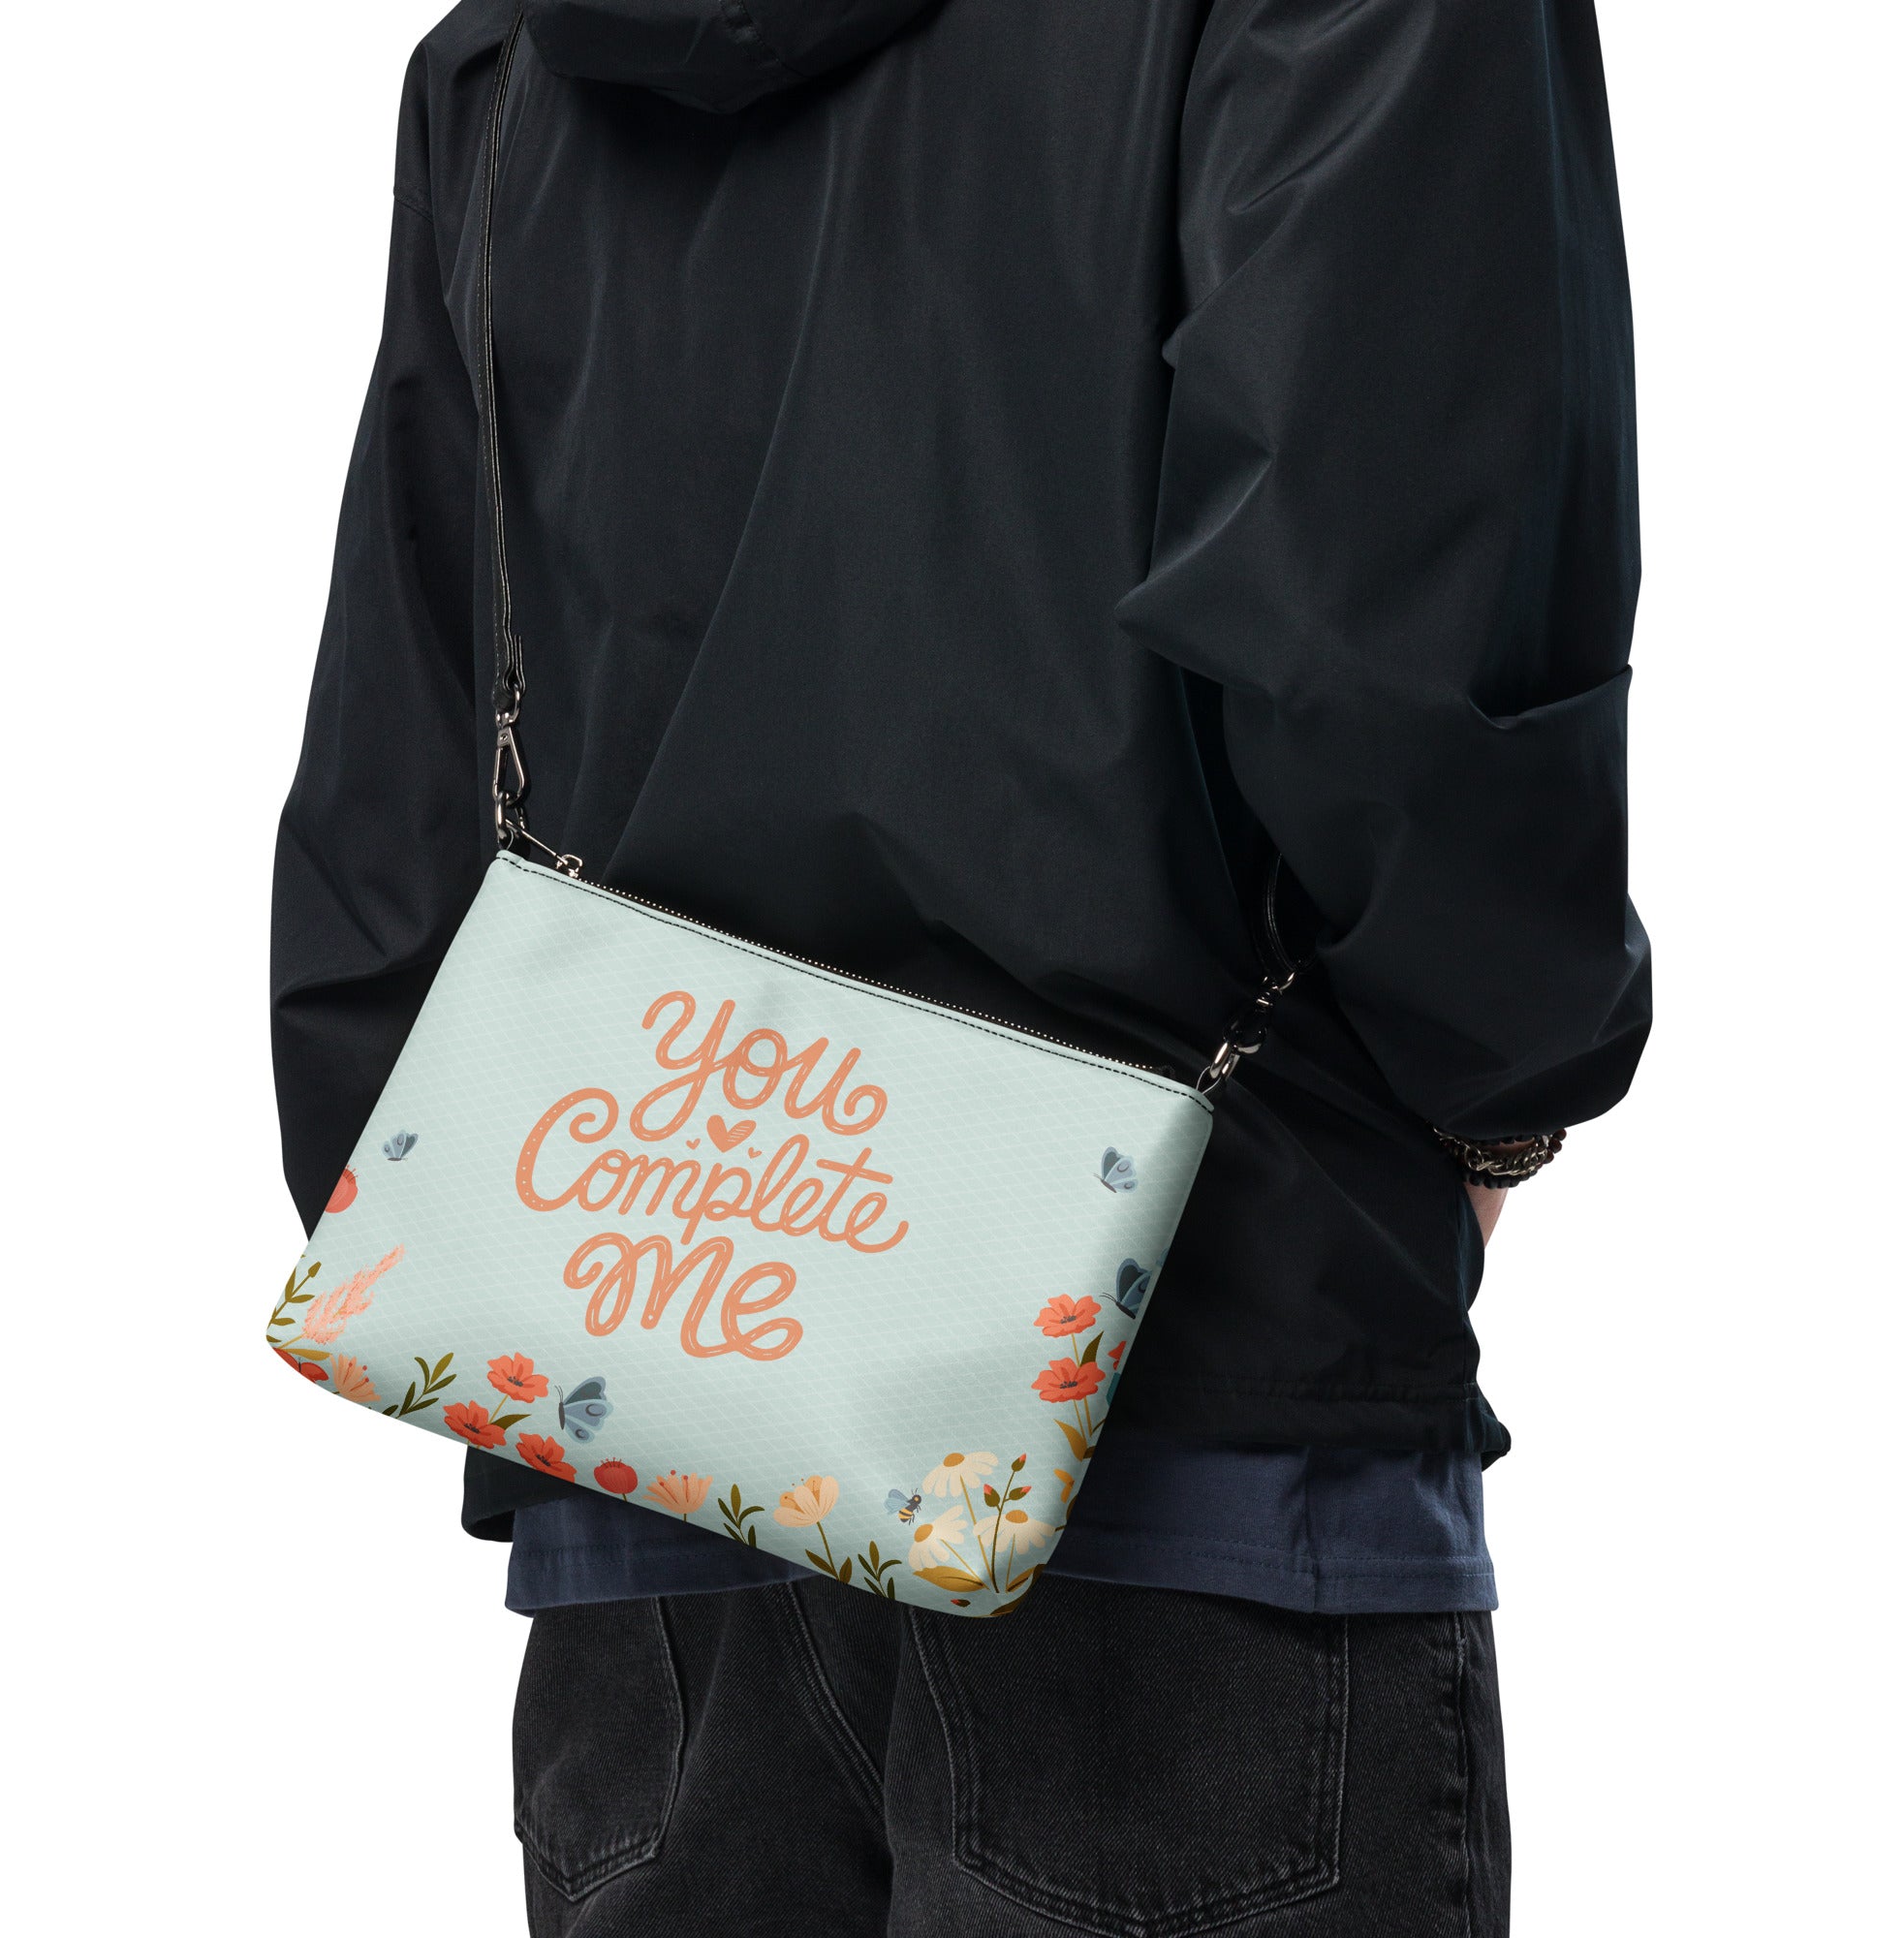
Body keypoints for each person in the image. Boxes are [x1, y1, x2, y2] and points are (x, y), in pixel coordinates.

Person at [271, 2, 1647, 1932]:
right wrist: (1496, 1086)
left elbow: (399, 767)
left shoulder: (515, 50)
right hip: (1209, 1391)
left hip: (647, 1406)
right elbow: (1386, 639)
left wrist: (489, 1235)